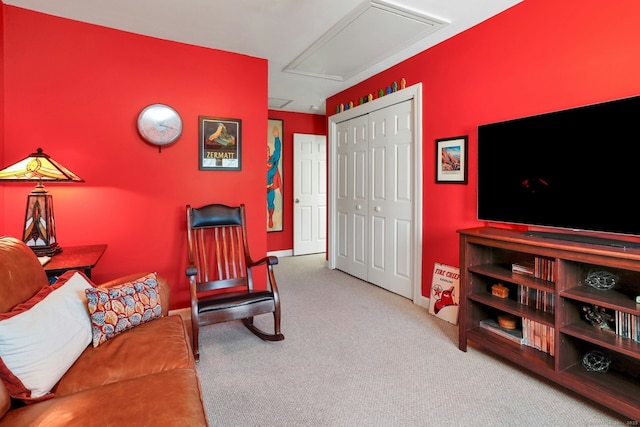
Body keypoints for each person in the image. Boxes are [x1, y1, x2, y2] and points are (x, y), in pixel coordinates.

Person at [267, 126, 282, 229]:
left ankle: (270, 218)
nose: (265, 152)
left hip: (270, 188)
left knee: (271, 203)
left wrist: (276, 138)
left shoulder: (273, 161)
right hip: (257, 188)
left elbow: (278, 151)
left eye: (267, 150)